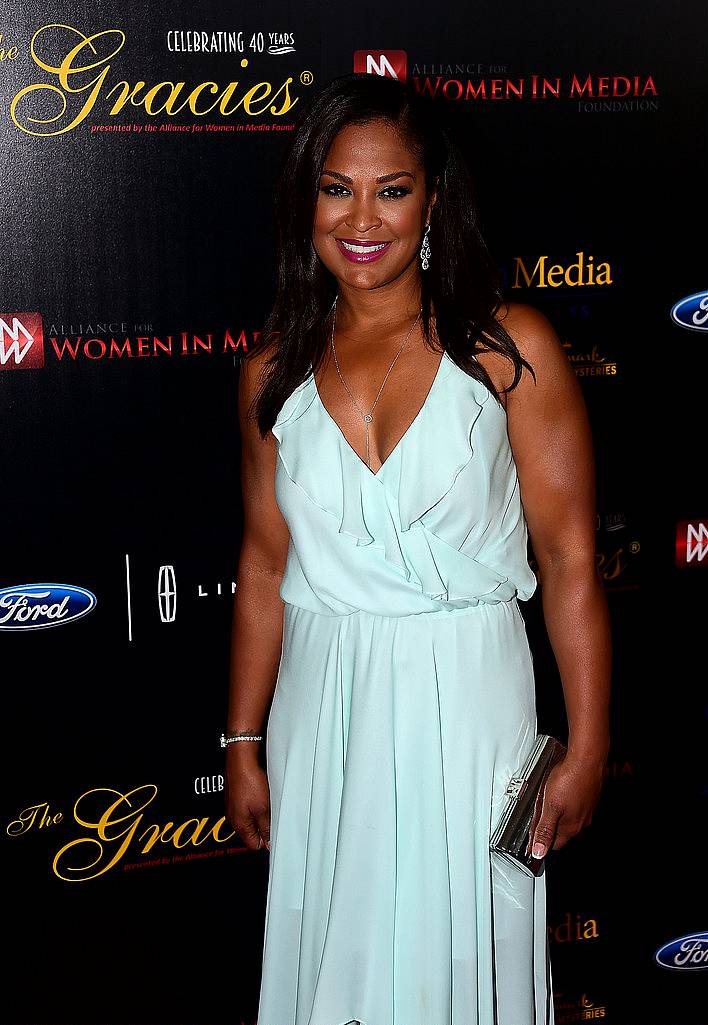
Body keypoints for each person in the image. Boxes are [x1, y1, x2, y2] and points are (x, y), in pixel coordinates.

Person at [224, 72, 611, 1025]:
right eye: (335, 186)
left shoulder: (507, 351)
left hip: (469, 700)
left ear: (433, 199)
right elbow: (266, 565)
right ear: (304, 201)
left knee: (461, 960)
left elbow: (568, 561)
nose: (363, 217)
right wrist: (242, 738)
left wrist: (592, 743)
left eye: (392, 189)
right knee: (338, 967)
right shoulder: (271, 373)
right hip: (328, 704)